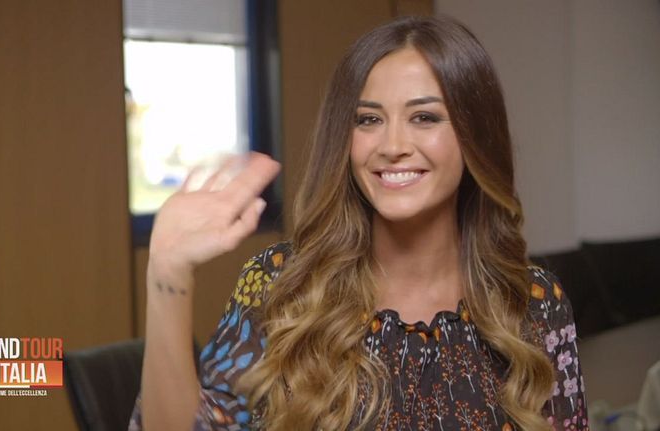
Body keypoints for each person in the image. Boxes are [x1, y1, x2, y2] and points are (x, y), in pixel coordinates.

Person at [129, 15, 588, 431]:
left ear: (475, 135)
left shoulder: (533, 302)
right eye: (369, 119)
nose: (392, 145)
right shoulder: (282, 285)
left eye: (424, 117)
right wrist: (167, 271)